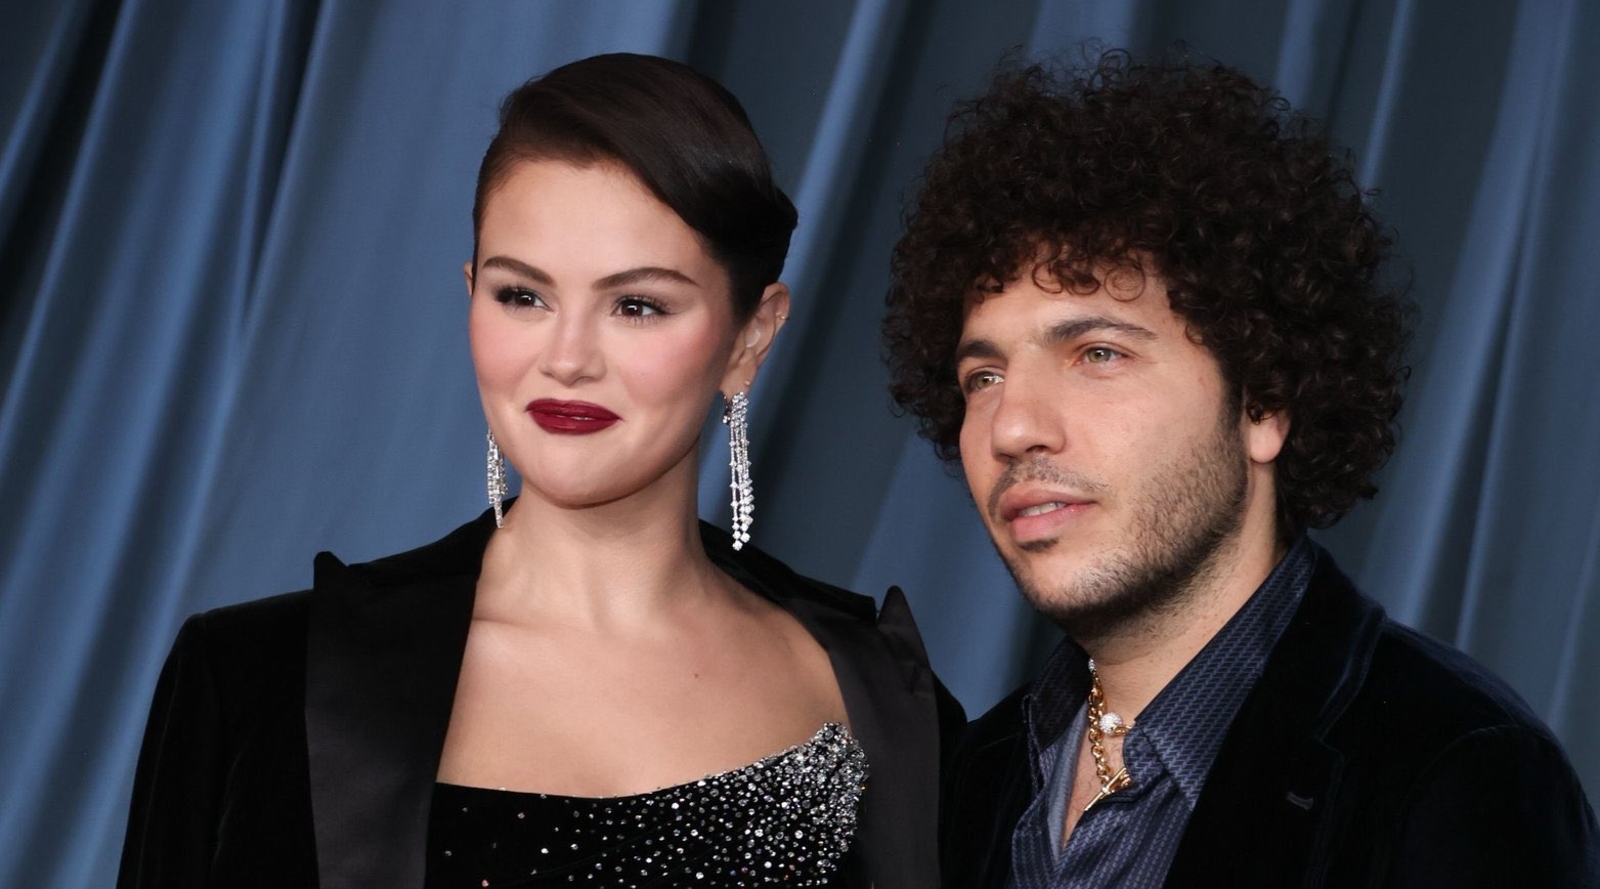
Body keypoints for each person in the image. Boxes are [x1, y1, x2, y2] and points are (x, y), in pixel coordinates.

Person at [119, 53, 957, 889]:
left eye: (637, 305)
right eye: (522, 296)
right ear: (470, 295)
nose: (566, 359)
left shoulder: (880, 696)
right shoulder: (254, 683)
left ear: (750, 338)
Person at [884, 51, 1599, 887]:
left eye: (1099, 353)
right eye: (984, 377)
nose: (1012, 426)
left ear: (1264, 401)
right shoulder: (973, 777)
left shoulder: (1454, 773)